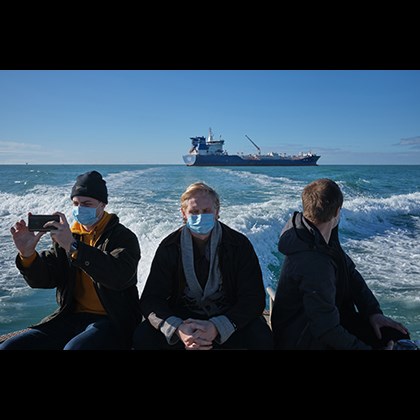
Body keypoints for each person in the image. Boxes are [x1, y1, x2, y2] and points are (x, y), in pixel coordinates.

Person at [0, 170, 141, 350]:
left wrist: (74, 247)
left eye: (87, 203)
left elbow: (119, 277)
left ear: (102, 204)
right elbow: (47, 279)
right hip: (70, 316)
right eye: (76, 203)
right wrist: (27, 255)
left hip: (112, 319)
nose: (80, 208)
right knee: (10, 346)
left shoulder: (123, 237)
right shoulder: (68, 235)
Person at [271, 178, 410, 350]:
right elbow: (327, 330)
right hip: (301, 338)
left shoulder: (321, 239)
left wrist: (373, 312)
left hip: (325, 322)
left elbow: (351, 274)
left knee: (396, 335)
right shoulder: (313, 261)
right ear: (337, 212)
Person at [132, 181, 273, 350]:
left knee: (261, 337)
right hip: (184, 321)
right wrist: (178, 329)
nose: (200, 216)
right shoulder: (169, 246)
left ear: (217, 212)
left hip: (227, 315)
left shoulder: (238, 244)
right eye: (194, 212)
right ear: (184, 214)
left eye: (206, 211)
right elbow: (151, 299)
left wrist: (217, 327)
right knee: (143, 337)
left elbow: (253, 299)